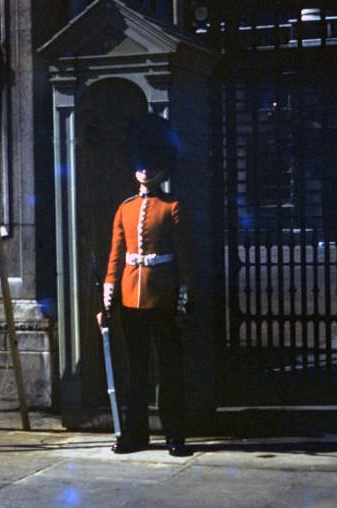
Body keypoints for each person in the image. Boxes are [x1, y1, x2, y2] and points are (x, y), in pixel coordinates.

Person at [102, 113, 195, 457]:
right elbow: (115, 259)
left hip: (164, 298)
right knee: (135, 372)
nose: (144, 170)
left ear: (162, 167)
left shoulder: (173, 207)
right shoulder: (124, 208)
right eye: (140, 163)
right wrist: (107, 301)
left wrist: (183, 300)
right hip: (130, 298)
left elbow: (185, 260)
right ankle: (135, 433)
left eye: (150, 163)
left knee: (169, 371)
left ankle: (174, 434)